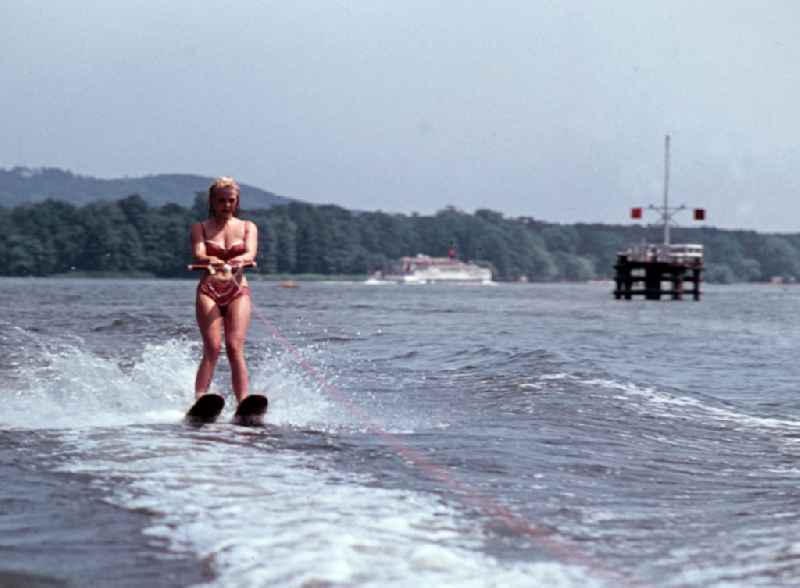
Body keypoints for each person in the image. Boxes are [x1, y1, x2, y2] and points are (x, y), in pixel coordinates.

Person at [191, 177, 258, 403]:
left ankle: (243, 402)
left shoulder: (248, 227)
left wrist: (240, 260)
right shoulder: (200, 227)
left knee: (233, 346)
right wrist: (212, 259)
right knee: (212, 347)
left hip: (238, 290)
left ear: (237, 201)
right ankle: (200, 398)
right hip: (209, 290)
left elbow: (250, 253)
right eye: (221, 201)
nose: (226, 205)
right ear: (212, 201)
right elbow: (199, 253)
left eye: (231, 200)